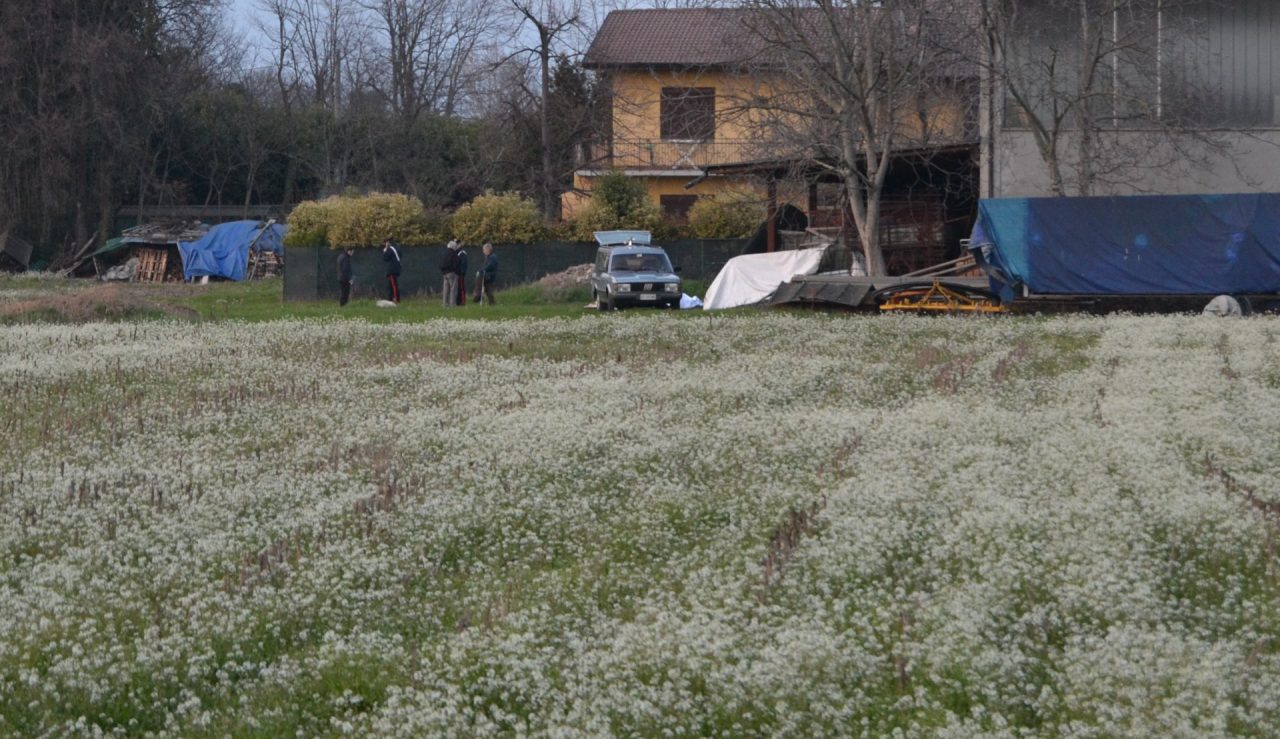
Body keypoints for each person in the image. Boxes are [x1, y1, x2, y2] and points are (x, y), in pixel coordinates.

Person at [440, 240, 459, 306]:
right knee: (453, 289)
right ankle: (452, 303)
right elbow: (456, 263)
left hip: (445, 273)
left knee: (446, 289)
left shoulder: (444, 253)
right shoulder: (453, 254)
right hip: (452, 273)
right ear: (453, 247)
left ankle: (445, 303)